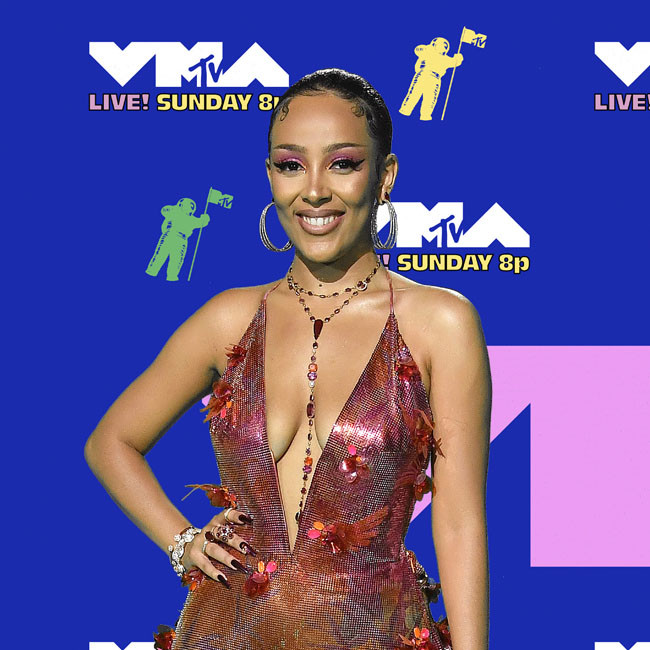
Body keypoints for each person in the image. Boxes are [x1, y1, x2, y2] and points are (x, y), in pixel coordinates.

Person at [85, 68, 491, 650]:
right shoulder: (228, 319)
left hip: (373, 635)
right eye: (291, 164)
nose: (315, 190)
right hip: (224, 632)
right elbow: (112, 442)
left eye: (343, 163)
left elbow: (458, 521)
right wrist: (183, 542)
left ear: (385, 177)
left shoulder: (440, 324)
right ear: (270, 176)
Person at [145, 198, 210, 281]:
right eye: (189, 205)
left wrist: (205, 219)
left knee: (177, 259)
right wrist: (175, 208)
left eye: (192, 206)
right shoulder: (174, 212)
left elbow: (200, 223)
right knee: (160, 254)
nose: (190, 207)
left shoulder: (191, 219)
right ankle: (151, 271)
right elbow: (164, 210)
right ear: (181, 204)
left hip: (181, 239)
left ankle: (171, 276)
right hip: (169, 235)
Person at [399, 38, 464, 120]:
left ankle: (425, 115)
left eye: (446, 46)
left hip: (435, 79)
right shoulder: (427, 52)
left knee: (430, 98)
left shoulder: (445, 59)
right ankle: (405, 110)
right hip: (423, 74)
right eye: (442, 45)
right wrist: (429, 47)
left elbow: (454, 62)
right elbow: (417, 49)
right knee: (414, 93)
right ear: (435, 44)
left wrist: (458, 58)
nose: (444, 47)